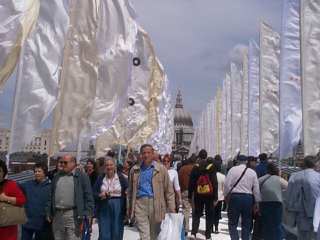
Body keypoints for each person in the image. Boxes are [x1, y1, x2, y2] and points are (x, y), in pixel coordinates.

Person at [127, 144, 175, 240]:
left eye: (148, 153)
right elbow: (130, 191)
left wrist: (172, 208)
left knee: (154, 235)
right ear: (140, 154)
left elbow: (169, 191)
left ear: (153, 154)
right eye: (144, 153)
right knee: (145, 236)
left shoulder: (161, 169)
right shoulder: (135, 170)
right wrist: (129, 208)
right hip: (140, 204)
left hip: (156, 204)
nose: (146, 155)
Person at [46, 155, 94, 240]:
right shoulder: (56, 176)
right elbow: (50, 195)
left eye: (65, 163)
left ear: (73, 163)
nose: (62, 165)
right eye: (61, 162)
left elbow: (88, 196)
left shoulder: (82, 177)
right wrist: (48, 212)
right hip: (57, 215)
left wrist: (86, 213)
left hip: (73, 215)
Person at [224, 155, 261, 240]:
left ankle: (235, 238)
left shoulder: (232, 170)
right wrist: (257, 202)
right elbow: (256, 189)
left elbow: (227, 185)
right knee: (246, 223)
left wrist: (226, 196)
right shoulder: (252, 172)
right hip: (248, 198)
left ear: (237, 161)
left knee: (233, 222)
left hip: (235, 197)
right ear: (246, 161)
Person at [286, 156, 320, 240]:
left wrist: (290, 209)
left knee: (302, 236)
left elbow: (289, 196)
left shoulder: (294, 176)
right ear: (314, 164)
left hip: (300, 213)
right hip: (316, 213)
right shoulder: (318, 177)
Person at [93, 158, 128, 240]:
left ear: (115, 166)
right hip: (104, 205)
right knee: (104, 231)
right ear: (104, 167)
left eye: (111, 165)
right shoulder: (101, 178)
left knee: (117, 230)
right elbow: (94, 192)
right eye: (107, 165)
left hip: (118, 205)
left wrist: (127, 191)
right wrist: (100, 195)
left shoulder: (121, 177)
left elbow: (128, 189)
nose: (109, 167)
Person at [188, 150, 218, 240]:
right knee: (209, 214)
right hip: (209, 194)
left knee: (196, 214)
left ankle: (194, 233)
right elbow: (214, 182)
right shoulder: (211, 167)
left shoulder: (196, 167)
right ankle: (208, 235)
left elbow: (191, 182)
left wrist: (190, 195)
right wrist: (215, 197)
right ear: (206, 156)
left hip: (198, 194)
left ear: (199, 157)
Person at [20, 163, 52, 240]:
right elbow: (14, 187)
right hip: (27, 222)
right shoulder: (28, 184)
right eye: (35, 171)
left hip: (43, 223)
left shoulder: (51, 186)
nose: (36, 173)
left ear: (45, 172)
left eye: (39, 171)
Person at [259, 162, 288, 240]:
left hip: (263, 203)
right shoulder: (279, 179)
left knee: (266, 224)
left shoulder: (261, 179)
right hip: (276, 203)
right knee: (277, 224)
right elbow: (288, 187)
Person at [0, 160, 26, 240]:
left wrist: (6, 198)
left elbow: (22, 200)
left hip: (7, 231)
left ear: (3, 172)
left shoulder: (10, 184)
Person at [178, 154, 196, 235]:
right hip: (195, 192)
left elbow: (179, 180)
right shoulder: (197, 168)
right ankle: (194, 230)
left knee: (186, 211)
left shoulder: (182, 169)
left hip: (185, 190)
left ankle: (186, 228)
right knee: (196, 211)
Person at [212, 155, 225, 234]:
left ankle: (210, 228)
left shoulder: (210, 176)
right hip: (219, 198)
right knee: (217, 214)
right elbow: (224, 189)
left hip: (211, 197)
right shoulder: (223, 176)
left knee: (211, 213)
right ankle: (216, 228)